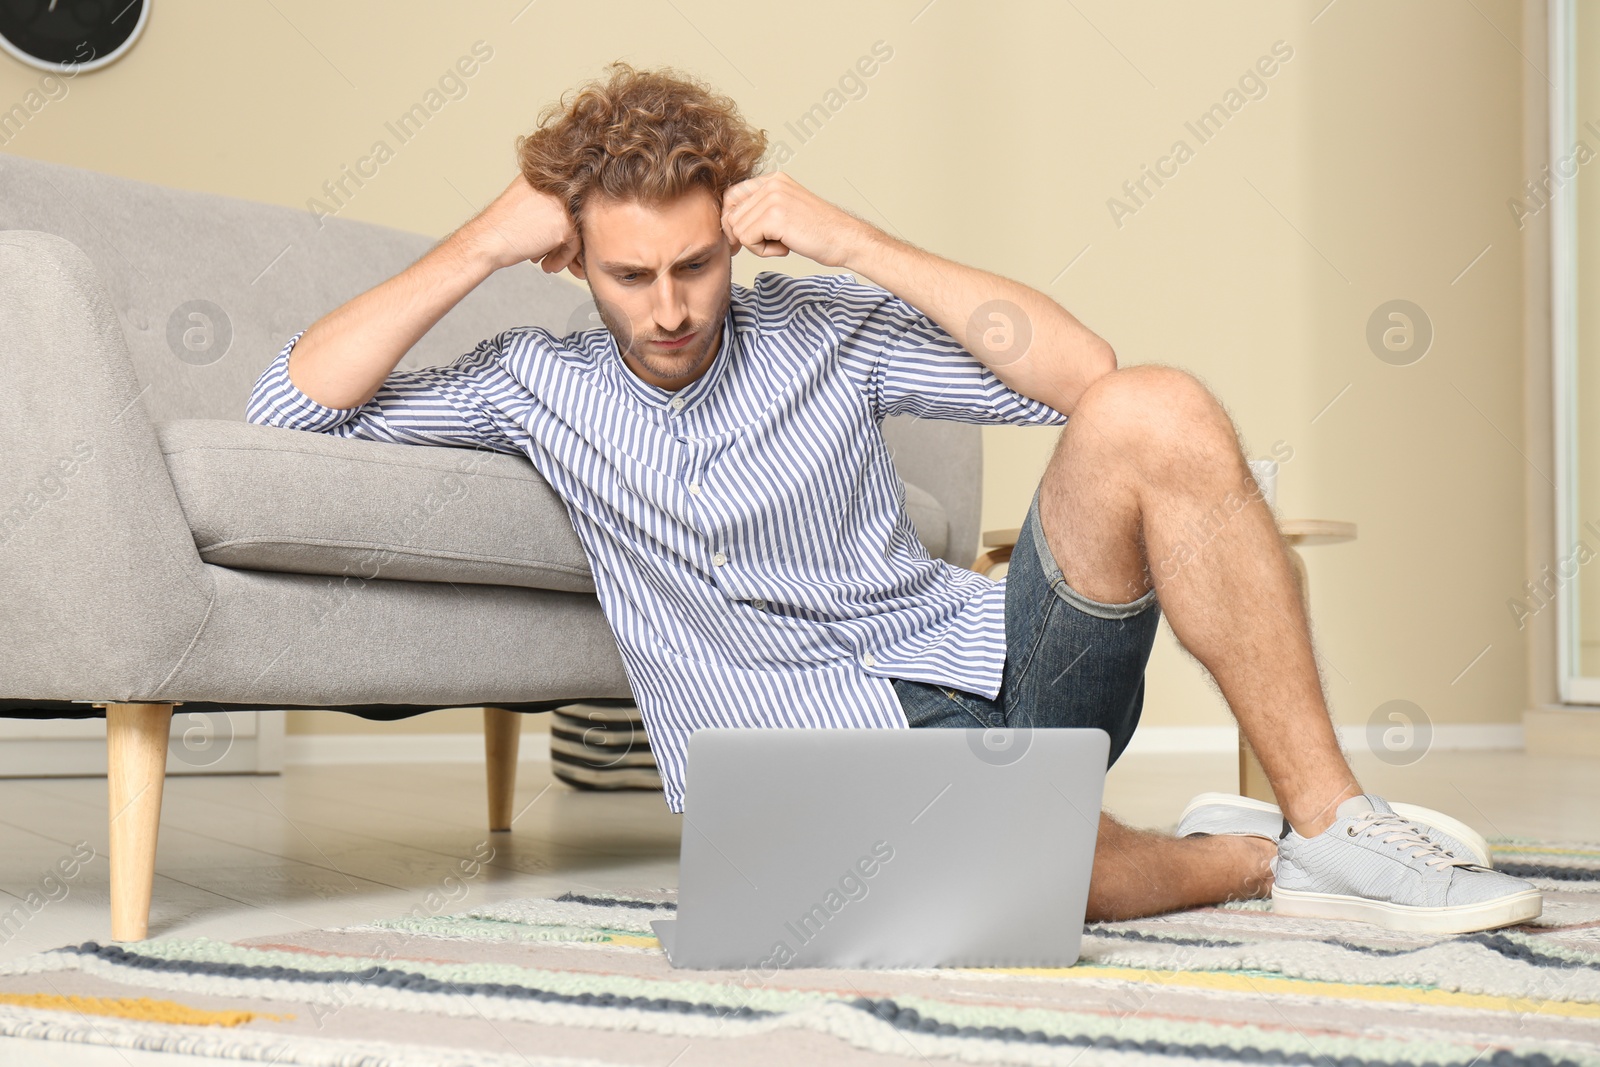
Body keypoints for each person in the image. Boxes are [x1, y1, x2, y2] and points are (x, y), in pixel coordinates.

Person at [248, 62, 1540, 932]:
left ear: (733, 243)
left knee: (1161, 403)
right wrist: (478, 243)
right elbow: (291, 409)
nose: (671, 307)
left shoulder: (824, 328)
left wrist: (853, 240)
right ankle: (1264, 857)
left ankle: (1336, 818)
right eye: (631, 275)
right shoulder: (533, 381)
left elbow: (1086, 378)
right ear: (572, 259)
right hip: (801, 757)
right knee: (1016, 884)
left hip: (991, 670)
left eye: (695, 266)